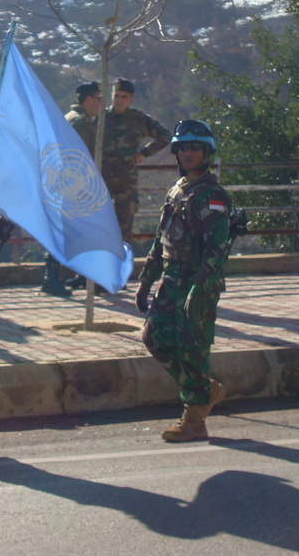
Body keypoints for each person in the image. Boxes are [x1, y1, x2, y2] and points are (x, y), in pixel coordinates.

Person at [135, 119, 232, 442]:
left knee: (193, 349)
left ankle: (194, 418)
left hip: (197, 280)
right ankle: (204, 390)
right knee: (154, 338)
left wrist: (199, 290)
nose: (188, 153)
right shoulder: (178, 189)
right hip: (172, 278)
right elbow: (161, 238)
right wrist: (146, 280)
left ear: (207, 152)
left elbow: (216, 251)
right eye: (183, 148)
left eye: (195, 148)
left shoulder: (212, 195)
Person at [41, 80, 102, 297]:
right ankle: (51, 277)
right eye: (98, 99)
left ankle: (77, 275)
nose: (100, 104)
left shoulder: (73, 118)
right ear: (88, 100)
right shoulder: (79, 123)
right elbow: (80, 160)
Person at [101, 77, 172, 243]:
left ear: (131, 98)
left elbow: (165, 136)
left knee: (124, 224)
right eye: (116, 95)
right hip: (101, 177)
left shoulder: (138, 119)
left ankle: (124, 265)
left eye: (124, 96)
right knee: (98, 222)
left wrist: (144, 154)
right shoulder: (101, 117)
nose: (119, 100)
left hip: (126, 179)